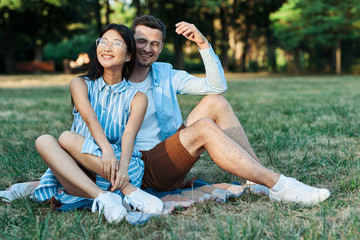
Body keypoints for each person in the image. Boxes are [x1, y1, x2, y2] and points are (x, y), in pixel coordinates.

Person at [62, 15, 330, 205]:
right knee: (203, 129)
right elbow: (86, 126)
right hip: (138, 164)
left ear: (161, 48)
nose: (147, 48)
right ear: (129, 44)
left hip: (165, 153)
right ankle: (280, 184)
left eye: (155, 44)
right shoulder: (106, 82)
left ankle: (258, 178)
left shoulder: (165, 74)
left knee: (215, 102)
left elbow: (217, 85)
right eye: (141, 41)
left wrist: (203, 44)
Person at [34, 23, 163, 224]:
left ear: (129, 56)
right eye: (103, 42)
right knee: (47, 140)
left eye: (116, 43)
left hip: (119, 168)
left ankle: (124, 189)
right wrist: (106, 150)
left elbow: (129, 135)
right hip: (80, 173)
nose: (107, 47)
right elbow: (89, 117)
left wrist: (123, 169)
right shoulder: (80, 84)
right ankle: (107, 197)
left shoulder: (137, 97)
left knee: (67, 137)